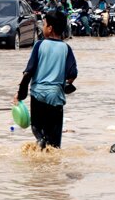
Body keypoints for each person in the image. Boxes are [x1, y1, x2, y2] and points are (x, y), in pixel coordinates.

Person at [13, 10, 78, 149]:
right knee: (54, 141)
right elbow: (72, 74)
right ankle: (52, 165)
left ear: (50, 28)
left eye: (44, 24)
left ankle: (40, 142)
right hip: (55, 96)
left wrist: (21, 94)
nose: (42, 27)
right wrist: (65, 83)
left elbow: (28, 72)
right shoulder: (66, 48)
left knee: (37, 127)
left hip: (38, 94)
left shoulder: (39, 45)